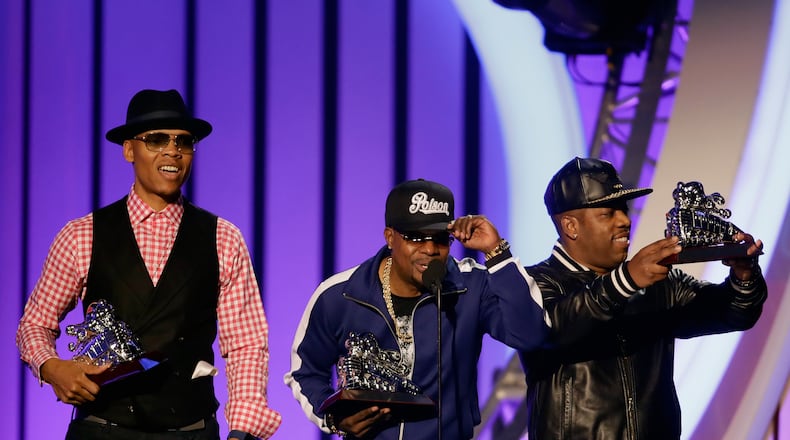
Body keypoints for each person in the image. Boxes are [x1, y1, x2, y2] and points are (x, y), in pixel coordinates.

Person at [16, 89, 281, 440]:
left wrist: (242, 432)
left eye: (183, 141)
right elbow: (35, 324)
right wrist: (51, 367)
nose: (173, 150)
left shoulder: (223, 238)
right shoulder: (82, 235)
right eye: (157, 140)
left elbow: (247, 343)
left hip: (190, 432)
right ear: (129, 150)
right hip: (102, 430)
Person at [519, 157, 767, 439]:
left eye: (623, 209)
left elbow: (735, 313)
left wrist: (744, 276)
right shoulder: (533, 284)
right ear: (570, 226)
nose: (625, 221)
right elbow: (551, 329)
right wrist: (626, 281)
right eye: (608, 213)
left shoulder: (657, 283)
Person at [284, 178, 549, 439]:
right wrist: (333, 418)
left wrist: (497, 253)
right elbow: (304, 372)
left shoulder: (471, 287)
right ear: (390, 237)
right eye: (416, 238)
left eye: (440, 239)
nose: (430, 249)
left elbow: (530, 335)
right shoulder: (341, 294)